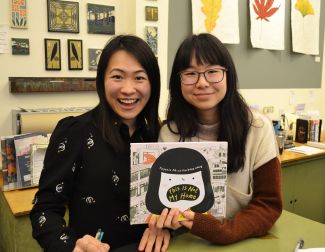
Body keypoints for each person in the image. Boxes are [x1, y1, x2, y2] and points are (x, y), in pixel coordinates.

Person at [30, 35, 170, 252]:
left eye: (139, 78)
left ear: (153, 84)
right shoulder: (75, 131)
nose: (128, 89)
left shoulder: (160, 135)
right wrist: (70, 246)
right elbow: (45, 209)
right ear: (101, 81)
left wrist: (166, 225)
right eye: (117, 77)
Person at [148, 33, 282, 244]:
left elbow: (268, 204)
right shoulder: (170, 133)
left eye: (212, 71)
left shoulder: (258, 127)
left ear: (228, 75)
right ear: (178, 81)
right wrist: (163, 221)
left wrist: (223, 232)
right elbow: (162, 200)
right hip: (188, 243)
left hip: (245, 242)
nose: (202, 83)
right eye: (190, 73)